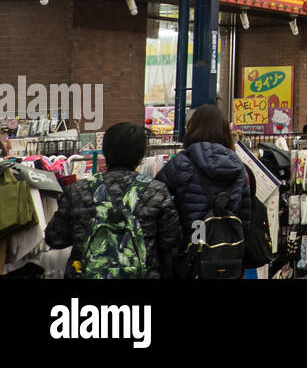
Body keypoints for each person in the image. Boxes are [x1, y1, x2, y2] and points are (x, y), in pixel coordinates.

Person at [45, 122, 182, 278]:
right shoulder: (156, 190)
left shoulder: (78, 190)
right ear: (141, 155)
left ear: (106, 151)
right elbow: (171, 241)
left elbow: (55, 238)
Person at [159, 103, 252, 276]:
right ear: (224, 131)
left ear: (192, 129)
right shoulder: (238, 166)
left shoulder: (182, 163)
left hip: (191, 245)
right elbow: (245, 215)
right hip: (227, 250)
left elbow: (156, 196)